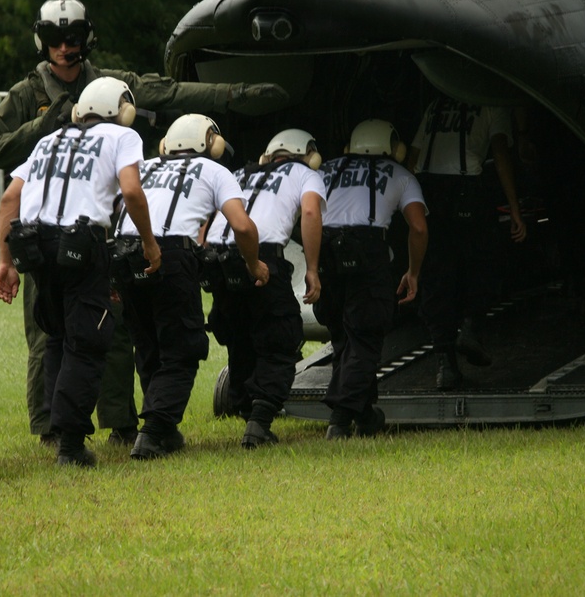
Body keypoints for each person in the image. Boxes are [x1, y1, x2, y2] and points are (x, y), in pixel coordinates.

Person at [0, 0, 290, 447]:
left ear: (86, 39)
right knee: (50, 335)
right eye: (54, 40)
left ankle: (121, 423)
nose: (64, 48)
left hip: (100, 235)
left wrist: (234, 96)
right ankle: (52, 427)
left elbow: (168, 91)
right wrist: (52, 124)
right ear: (40, 42)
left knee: (113, 327)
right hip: (45, 228)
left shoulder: (109, 84)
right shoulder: (28, 95)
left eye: (72, 39)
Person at [0, 76, 161, 468]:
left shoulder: (47, 140)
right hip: (82, 245)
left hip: (34, 246)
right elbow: (132, 192)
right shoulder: (122, 138)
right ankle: (70, 445)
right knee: (87, 340)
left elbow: (9, 198)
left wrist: (5, 263)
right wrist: (150, 244)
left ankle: (57, 428)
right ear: (123, 110)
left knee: (57, 336)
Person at [113, 114, 269, 459]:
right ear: (211, 142)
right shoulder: (215, 172)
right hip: (171, 253)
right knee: (182, 348)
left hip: (124, 254)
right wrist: (254, 263)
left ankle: (165, 429)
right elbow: (242, 227)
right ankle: (152, 431)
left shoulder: (144, 166)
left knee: (149, 344)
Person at [204, 128, 325, 448]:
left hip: (218, 256)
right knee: (280, 338)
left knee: (239, 335)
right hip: (261, 254)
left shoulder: (239, 172)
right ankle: (260, 420)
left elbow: (211, 215)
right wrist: (312, 268)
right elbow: (311, 212)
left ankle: (245, 406)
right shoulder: (305, 174)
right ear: (309, 154)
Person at [314, 120, 428, 438]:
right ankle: (341, 418)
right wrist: (413, 272)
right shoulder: (402, 176)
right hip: (368, 254)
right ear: (394, 147)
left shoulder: (325, 171)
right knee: (364, 340)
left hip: (326, 252)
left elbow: (304, 213)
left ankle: (365, 415)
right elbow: (418, 227)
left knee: (342, 339)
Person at [405, 92, 526, 389]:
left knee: (437, 278)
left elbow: (413, 157)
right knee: (485, 262)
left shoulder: (435, 105)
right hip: (466, 189)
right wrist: (514, 206)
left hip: (429, 190)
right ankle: (471, 327)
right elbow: (500, 154)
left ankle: (445, 363)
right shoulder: (491, 103)